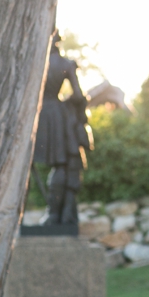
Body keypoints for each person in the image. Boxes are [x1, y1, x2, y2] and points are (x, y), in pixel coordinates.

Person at [32, 31, 92, 225]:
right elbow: (78, 94)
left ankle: (54, 213)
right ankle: (55, 213)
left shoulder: (36, 63)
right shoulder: (66, 64)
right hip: (56, 115)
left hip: (38, 114)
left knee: (54, 164)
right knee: (60, 164)